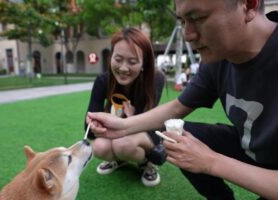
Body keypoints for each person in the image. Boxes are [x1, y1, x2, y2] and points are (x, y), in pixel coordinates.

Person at [86, 0, 278, 199]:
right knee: (178, 137)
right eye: (184, 21)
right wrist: (122, 126)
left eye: (198, 18)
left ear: (249, 5)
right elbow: (178, 106)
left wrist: (211, 162)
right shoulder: (220, 57)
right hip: (251, 146)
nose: (187, 35)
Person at [85, 28, 166, 187]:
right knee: (99, 147)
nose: (123, 68)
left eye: (132, 62)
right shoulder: (103, 81)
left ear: (144, 63)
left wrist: (129, 119)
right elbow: (88, 127)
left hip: (148, 134)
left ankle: (146, 163)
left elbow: (149, 125)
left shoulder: (155, 79)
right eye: (118, 59)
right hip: (118, 131)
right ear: (111, 58)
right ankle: (119, 160)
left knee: (123, 144)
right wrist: (94, 125)